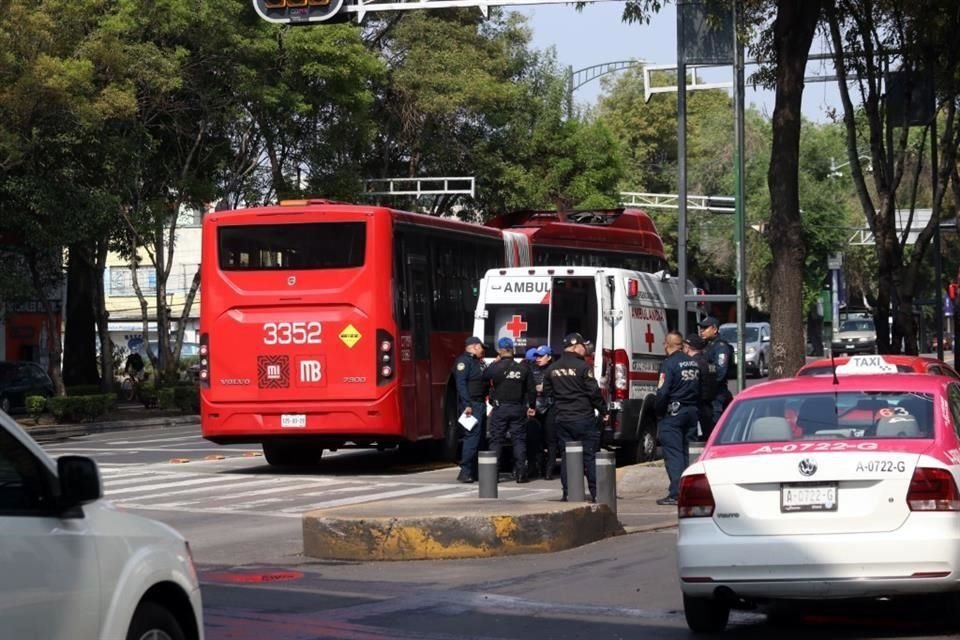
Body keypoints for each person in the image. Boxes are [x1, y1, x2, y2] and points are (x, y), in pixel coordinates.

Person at [542, 332, 609, 502]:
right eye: (583, 345)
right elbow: (593, 392)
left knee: (567, 457)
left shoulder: (552, 368)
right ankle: (596, 493)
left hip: (562, 418)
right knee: (589, 456)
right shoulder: (583, 367)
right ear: (576, 346)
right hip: (583, 418)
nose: (585, 348)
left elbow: (548, 394)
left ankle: (568, 492)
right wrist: (604, 411)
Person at [655, 331, 701, 506]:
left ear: (667, 345)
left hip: (673, 413)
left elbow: (662, 392)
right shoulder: (693, 363)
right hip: (691, 411)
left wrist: (659, 411)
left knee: (674, 454)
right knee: (688, 452)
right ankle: (691, 490)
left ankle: (676, 492)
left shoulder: (669, 364)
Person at [483, 337, 537, 483]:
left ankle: (493, 475)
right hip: (518, 408)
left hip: (500, 408)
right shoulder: (523, 368)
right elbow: (531, 390)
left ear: (500, 350)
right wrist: (532, 407)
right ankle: (520, 474)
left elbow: (484, 377)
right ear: (513, 349)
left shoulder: (495, 367)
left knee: (496, 440)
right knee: (519, 440)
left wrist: (495, 362)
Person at [453, 336, 488, 483]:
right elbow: (461, 385)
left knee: (480, 439)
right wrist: (467, 404)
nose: (483, 350)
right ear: (474, 347)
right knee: (471, 438)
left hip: (479, 404)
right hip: (471, 405)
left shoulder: (476, 362)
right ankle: (465, 471)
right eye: (481, 347)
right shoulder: (464, 362)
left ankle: (474, 471)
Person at [699, 316, 734, 428]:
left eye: (705, 328)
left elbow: (720, 371)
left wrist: (708, 386)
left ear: (715, 329)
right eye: (701, 328)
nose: (702, 331)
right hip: (708, 393)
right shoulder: (707, 345)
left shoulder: (721, 347)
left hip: (716, 393)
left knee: (715, 425)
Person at [528, 345, 557, 479]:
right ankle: (537, 468)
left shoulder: (554, 370)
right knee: (535, 440)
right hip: (535, 408)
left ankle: (549, 471)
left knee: (551, 439)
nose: (538, 359)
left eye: (541, 356)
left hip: (550, 407)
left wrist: (543, 389)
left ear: (549, 357)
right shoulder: (531, 369)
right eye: (537, 356)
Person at [683, 333, 714, 442]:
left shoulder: (693, 364)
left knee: (695, 440)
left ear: (689, 348)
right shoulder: (709, 362)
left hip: (698, 404)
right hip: (709, 404)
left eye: (685, 346)